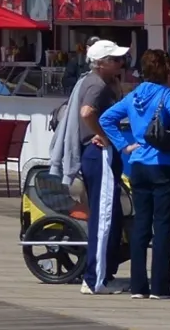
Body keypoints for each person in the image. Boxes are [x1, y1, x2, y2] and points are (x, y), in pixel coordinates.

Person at [100, 48, 170, 300]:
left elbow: (107, 119)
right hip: (164, 164)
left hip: (138, 164)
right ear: (164, 71)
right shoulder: (168, 94)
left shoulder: (134, 95)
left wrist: (124, 145)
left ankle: (139, 286)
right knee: (162, 225)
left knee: (141, 225)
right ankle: (160, 287)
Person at [49, 39, 129, 295]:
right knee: (104, 217)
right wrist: (102, 134)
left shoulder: (98, 81)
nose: (120, 62)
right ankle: (95, 278)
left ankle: (103, 274)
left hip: (97, 153)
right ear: (101, 63)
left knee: (109, 213)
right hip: (98, 153)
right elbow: (86, 112)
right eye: (115, 59)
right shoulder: (97, 84)